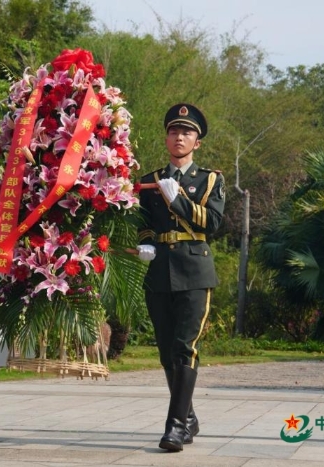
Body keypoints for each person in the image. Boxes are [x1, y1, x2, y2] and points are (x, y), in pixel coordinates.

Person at [136, 103, 225, 452]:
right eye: (174, 131)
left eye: (186, 132)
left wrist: (180, 202)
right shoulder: (149, 180)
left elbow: (213, 224)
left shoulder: (210, 180)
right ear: (166, 138)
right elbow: (143, 222)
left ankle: (174, 427)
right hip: (160, 271)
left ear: (196, 142)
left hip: (194, 270)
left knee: (185, 347)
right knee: (165, 351)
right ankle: (187, 417)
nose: (179, 137)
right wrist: (146, 242)